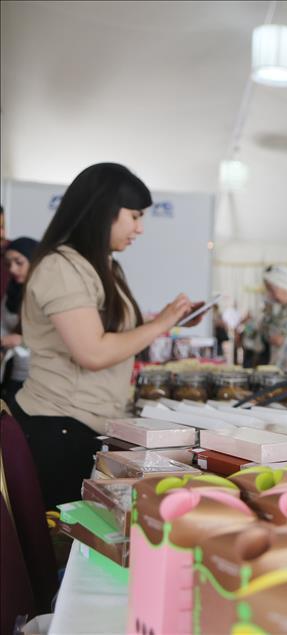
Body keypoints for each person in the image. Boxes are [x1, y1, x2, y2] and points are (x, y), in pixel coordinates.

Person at [10, 163, 203, 508]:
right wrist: (160, 325)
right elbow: (93, 352)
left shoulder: (103, 264)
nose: (140, 229)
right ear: (105, 213)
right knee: (60, 539)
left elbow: (109, 328)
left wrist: (166, 319)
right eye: (134, 216)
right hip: (57, 426)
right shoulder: (61, 267)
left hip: (86, 424)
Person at [242, 265, 287, 372]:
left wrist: (286, 339)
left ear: (283, 286)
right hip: (277, 366)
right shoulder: (275, 308)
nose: (270, 294)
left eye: (272, 289)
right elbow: (260, 331)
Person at [1, 237, 38, 401]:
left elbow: (61, 339)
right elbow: (3, 327)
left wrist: (22, 340)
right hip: (15, 375)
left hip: (42, 379)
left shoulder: (49, 294)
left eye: (19, 262)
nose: (13, 269)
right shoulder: (11, 294)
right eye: (8, 264)